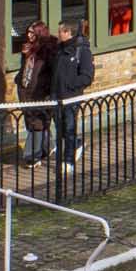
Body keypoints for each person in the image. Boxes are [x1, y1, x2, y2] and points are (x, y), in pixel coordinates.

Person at [51, 17, 94, 169]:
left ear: (68, 32)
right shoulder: (59, 49)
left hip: (70, 97)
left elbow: (87, 76)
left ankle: (68, 161)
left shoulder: (81, 50)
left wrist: (70, 86)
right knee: (60, 129)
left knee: (69, 128)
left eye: (60, 31)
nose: (58, 34)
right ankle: (77, 144)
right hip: (56, 97)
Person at [15, 22, 55, 163]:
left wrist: (48, 91)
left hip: (40, 91)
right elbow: (25, 70)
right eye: (28, 32)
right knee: (32, 121)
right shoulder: (27, 49)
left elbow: (51, 72)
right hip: (26, 90)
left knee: (37, 122)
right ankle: (47, 147)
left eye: (32, 33)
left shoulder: (48, 50)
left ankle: (32, 155)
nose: (29, 35)